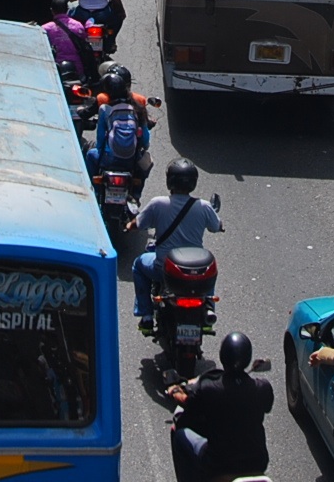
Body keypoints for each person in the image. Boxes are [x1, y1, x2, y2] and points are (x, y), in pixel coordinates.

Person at [168, 331, 271, 482]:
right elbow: (266, 406)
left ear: (223, 356)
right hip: (257, 463)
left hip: (218, 466)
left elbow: (186, 401)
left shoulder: (209, 389)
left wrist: (174, 390)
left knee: (179, 435)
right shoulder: (263, 388)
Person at [129, 158, 223, 318]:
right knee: (210, 270)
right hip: (196, 272)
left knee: (138, 265)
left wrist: (128, 225)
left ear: (169, 181)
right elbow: (217, 227)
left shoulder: (157, 204)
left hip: (163, 270)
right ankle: (208, 306)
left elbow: (137, 224)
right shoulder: (204, 206)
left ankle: (146, 315)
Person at [42, 0, 93, 80]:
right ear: (67, 10)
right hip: (78, 71)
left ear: (52, 10)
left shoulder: (44, 29)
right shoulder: (78, 25)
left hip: (56, 72)